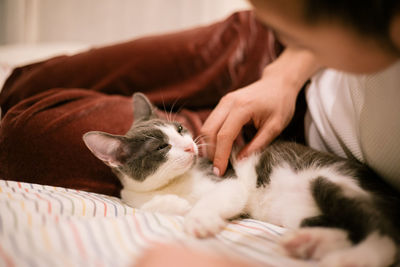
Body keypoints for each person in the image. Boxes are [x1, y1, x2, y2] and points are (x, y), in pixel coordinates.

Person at [137, 0, 400, 266]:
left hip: (281, 153)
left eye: (287, 32)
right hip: (271, 67)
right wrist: (284, 76)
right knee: (92, 70)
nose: (281, 36)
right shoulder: (322, 37)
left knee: (102, 126)